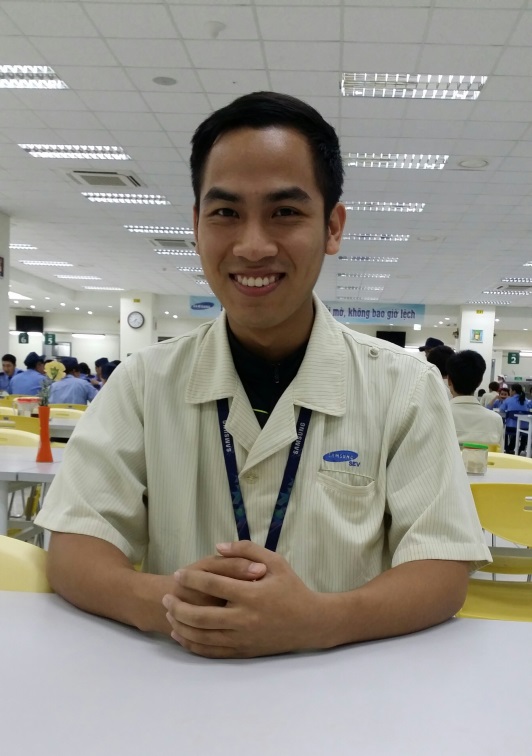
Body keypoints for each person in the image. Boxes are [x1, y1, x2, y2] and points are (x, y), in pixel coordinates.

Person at [36, 91, 489, 659]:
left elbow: (443, 568)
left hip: (345, 680)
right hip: (180, 677)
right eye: (225, 213)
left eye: (285, 212)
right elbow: (75, 543)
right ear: (197, 225)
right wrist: (176, 606)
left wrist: (318, 621)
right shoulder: (143, 382)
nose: (252, 246)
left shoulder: (405, 387)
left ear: (332, 227)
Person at [446, 351, 504, 450]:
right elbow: (499, 456)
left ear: (449, 381)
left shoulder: (437, 415)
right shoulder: (496, 420)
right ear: (480, 381)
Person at [499, 383, 532, 454]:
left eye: (510, 390)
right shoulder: (526, 400)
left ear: (514, 391)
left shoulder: (508, 400)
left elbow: (501, 411)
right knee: (520, 431)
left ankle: (507, 449)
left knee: (503, 430)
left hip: (511, 427)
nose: (509, 392)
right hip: (525, 428)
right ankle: (521, 449)